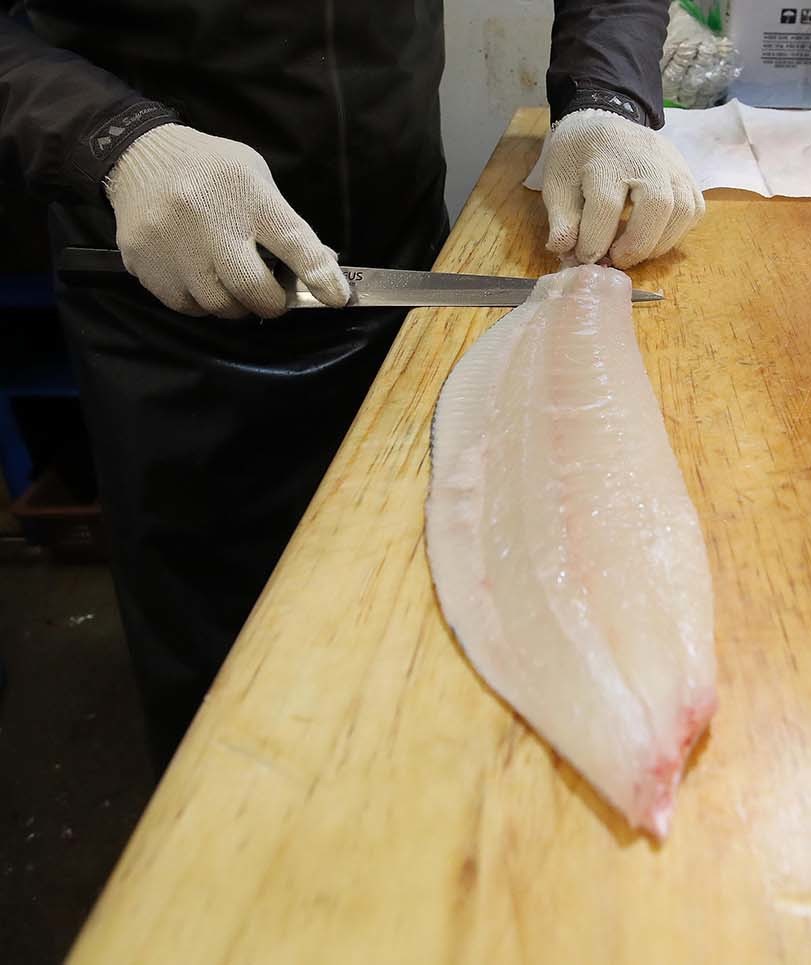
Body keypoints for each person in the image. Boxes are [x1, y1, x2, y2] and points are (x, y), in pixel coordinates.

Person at [0, 1, 703, 770]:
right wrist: (114, 139)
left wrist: (605, 92)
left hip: (400, 266)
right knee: (230, 705)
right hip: (170, 293)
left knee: (413, 643)